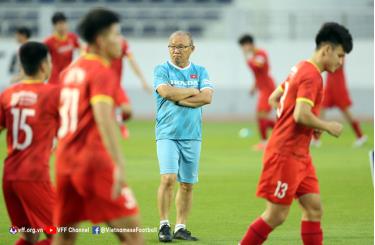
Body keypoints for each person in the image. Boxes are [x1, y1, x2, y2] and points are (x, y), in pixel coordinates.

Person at [240, 22, 352, 245]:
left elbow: (274, 98)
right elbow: (301, 115)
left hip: (300, 154)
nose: (340, 63)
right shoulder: (312, 76)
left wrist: (303, 123)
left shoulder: (300, 67)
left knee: (314, 208)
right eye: (339, 56)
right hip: (286, 154)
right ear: (326, 49)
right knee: (276, 215)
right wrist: (327, 125)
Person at [53, 8, 143, 245]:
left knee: (64, 235)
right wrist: (119, 164)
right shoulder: (101, 71)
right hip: (92, 161)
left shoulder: (69, 71)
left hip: (64, 162)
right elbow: (104, 119)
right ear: (101, 41)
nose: (120, 41)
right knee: (133, 234)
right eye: (116, 34)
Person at [154, 31, 213, 242]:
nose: (176, 51)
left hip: (192, 135)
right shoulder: (162, 69)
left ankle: (180, 227)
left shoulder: (200, 70)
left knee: (187, 184)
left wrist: (180, 98)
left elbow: (207, 97)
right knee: (168, 178)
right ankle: (163, 225)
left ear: (192, 49)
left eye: (181, 47)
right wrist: (191, 92)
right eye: (172, 46)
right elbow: (166, 93)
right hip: (167, 133)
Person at [0, 42, 59, 245]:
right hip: (33, 178)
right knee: (60, 235)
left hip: (9, 178)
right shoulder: (53, 95)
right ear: (44, 65)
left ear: (22, 66)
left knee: (30, 235)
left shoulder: (7, 95)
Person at [310, 62, 367, 147]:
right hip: (329, 86)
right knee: (321, 111)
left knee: (347, 113)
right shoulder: (329, 50)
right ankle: (316, 139)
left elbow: (333, 64)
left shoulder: (340, 53)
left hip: (338, 86)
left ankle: (360, 136)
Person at [238, 34, 276, 151]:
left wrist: (246, 57)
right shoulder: (255, 55)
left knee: (261, 114)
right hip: (263, 88)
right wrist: (254, 86)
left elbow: (257, 66)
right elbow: (258, 74)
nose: (243, 49)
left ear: (248, 44)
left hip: (268, 89)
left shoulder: (261, 54)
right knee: (260, 116)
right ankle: (279, 131)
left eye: (243, 46)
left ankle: (266, 141)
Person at [110, 37, 152, 138]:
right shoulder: (101, 44)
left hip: (116, 85)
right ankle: (119, 128)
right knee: (107, 113)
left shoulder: (122, 43)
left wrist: (143, 80)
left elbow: (132, 61)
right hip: (103, 84)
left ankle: (119, 120)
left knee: (128, 111)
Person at [44, 12, 80, 85]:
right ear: (54, 26)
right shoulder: (48, 41)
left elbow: (81, 49)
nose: (63, 26)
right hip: (55, 77)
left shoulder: (72, 37)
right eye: (60, 24)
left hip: (69, 75)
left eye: (64, 23)